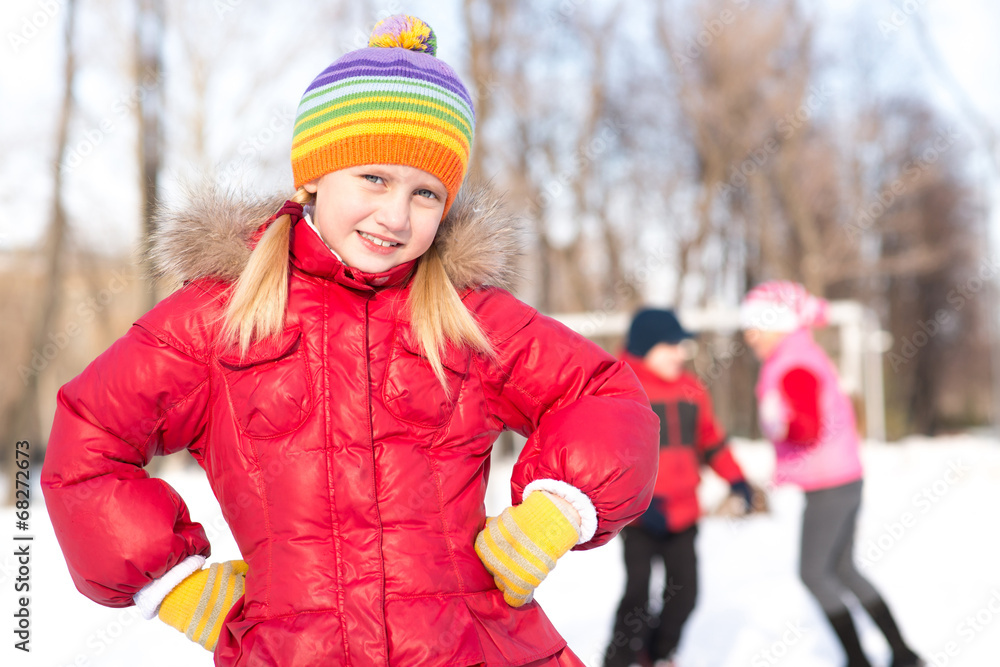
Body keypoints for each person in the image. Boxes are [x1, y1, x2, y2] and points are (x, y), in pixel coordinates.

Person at [40, 16, 660, 666]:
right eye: (373, 178)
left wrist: (560, 505)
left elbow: (606, 398)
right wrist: (169, 579)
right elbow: (88, 443)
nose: (395, 215)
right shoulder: (220, 318)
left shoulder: (467, 317)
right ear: (312, 176)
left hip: (472, 646)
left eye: (426, 193)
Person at [739, 281, 924, 667]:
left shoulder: (793, 365)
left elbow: (805, 426)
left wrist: (777, 425)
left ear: (779, 325)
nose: (749, 337)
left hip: (829, 484)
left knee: (814, 574)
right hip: (840, 478)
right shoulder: (798, 354)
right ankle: (903, 654)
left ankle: (859, 659)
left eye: (755, 327)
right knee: (842, 569)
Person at [603, 309, 757, 667]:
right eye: (670, 345)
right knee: (637, 595)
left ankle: (657, 654)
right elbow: (611, 455)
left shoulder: (691, 389)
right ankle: (617, 661)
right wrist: (637, 497)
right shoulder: (622, 390)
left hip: (684, 512)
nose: (680, 352)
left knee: (685, 594)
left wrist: (736, 478)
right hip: (640, 518)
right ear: (645, 348)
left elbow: (711, 440)